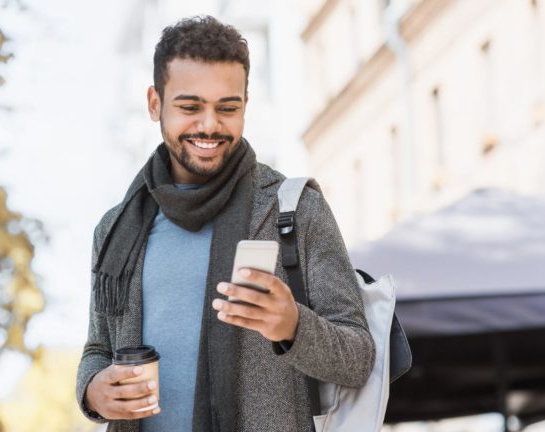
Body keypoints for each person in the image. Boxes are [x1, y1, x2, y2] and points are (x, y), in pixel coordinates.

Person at [76, 15, 375, 432]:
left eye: (227, 108)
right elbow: (97, 348)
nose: (210, 125)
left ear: (246, 106)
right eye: (190, 106)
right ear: (154, 103)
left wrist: (292, 325)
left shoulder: (294, 209)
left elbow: (359, 358)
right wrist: (92, 391)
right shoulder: (116, 230)